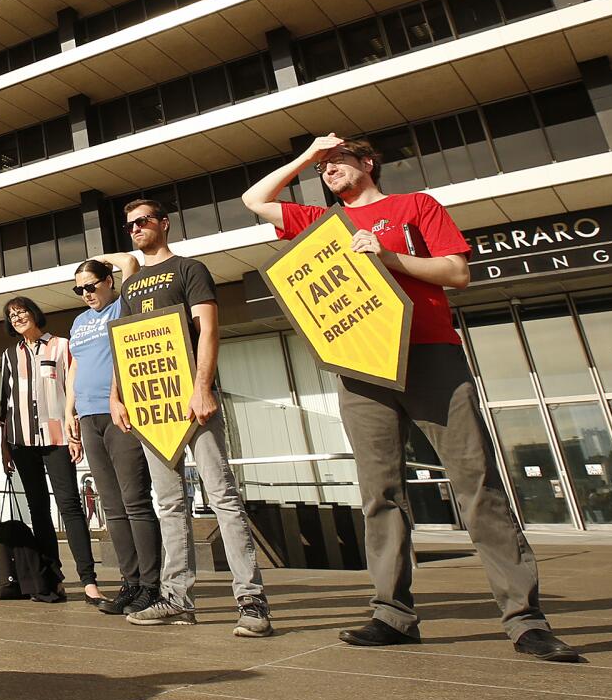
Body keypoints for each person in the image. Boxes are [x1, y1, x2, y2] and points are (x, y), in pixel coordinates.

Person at [242, 134, 581, 662]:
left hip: (428, 353)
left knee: (475, 482)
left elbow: (457, 272)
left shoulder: (415, 206)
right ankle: (393, 615)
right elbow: (255, 200)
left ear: (368, 163)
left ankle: (525, 619)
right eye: (322, 167)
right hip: (358, 364)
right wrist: (308, 155)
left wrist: (390, 255)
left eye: (338, 162)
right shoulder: (319, 221)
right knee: (380, 491)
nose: (328, 171)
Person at [110, 197, 272, 636]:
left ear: (164, 224)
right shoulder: (129, 286)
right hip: (151, 406)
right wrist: (116, 397)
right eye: (130, 225)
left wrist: (202, 387)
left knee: (222, 497)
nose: (137, 228)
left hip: (191, 401)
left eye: (144, 221)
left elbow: (208, 329)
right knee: (168, 504)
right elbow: (125, 344)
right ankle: (177, 599)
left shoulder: (189, 269)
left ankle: (251, 600)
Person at [68, 253, 160, 618]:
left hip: (121, 412)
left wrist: (99, 259)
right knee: (111, 506)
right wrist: (68, 411)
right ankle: (131, 582)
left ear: (109, 281)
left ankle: (152, 586)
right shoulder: (79, 322)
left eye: (91, 285)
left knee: (134, 498)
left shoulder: (124, 303)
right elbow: (75, 367)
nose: (86, 293)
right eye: (79, 289)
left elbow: (131, 262)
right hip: (88, 415)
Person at [0, 296, 100, 604]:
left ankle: (89, 579)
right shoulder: (8, 355)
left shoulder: (61, 345)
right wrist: (4, 446)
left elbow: (73, 391)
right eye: (11, 315)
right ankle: (53, 579)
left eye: (22, 312)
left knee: (69, 505)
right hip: (22, 441)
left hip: (57, 438)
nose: (17, 318)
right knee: (39, 510)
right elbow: (5, 404)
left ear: (35, 313)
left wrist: (76, 434)